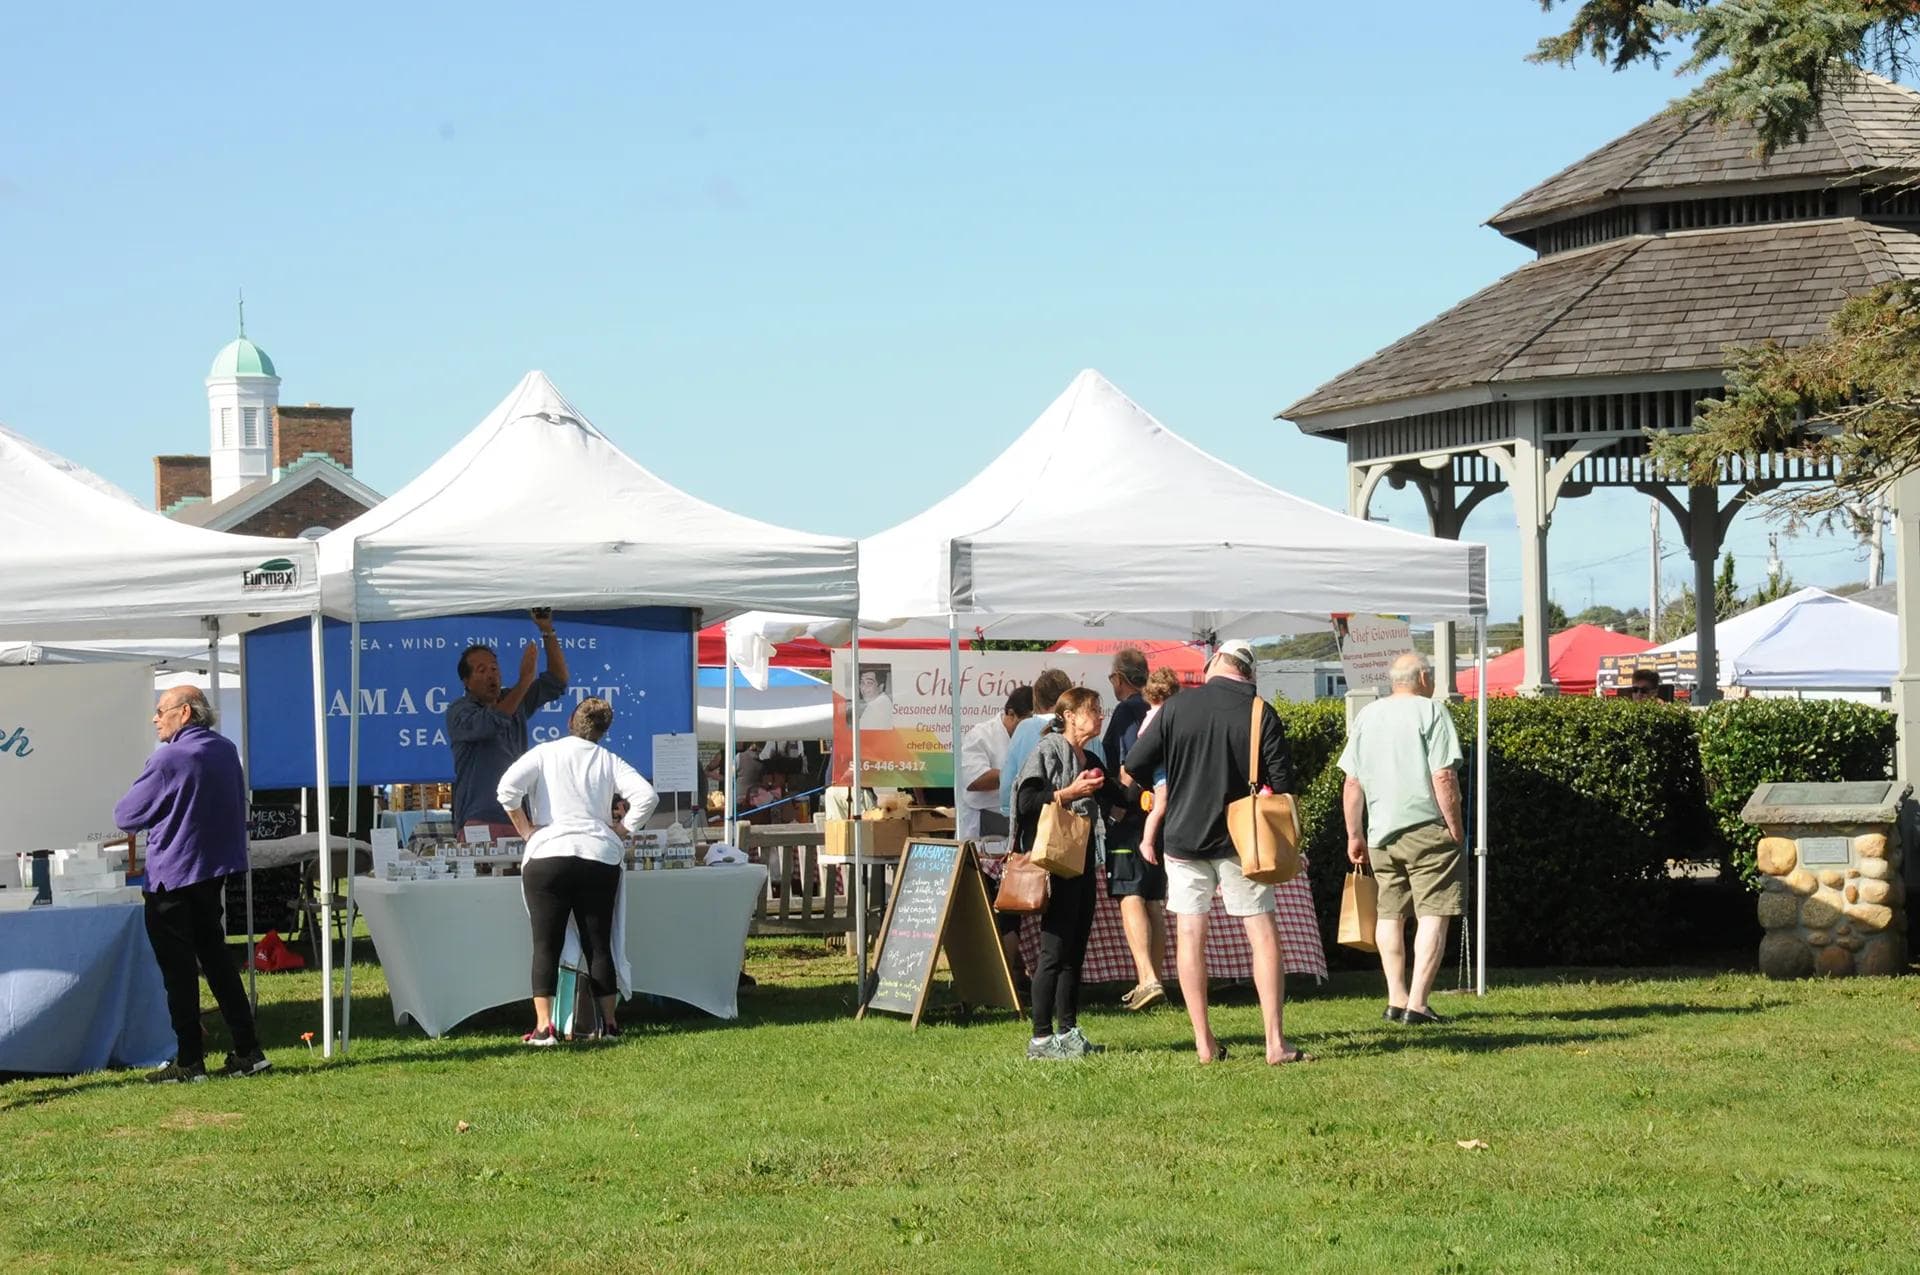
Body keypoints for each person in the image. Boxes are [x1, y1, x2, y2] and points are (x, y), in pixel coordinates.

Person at [1124, 639, 1307, 1065]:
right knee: (1261, 931)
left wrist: (1169, 786)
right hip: (1244, 841)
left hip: (1183, 836)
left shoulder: (1175, 707)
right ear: (1249, 671)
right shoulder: (1261, 711)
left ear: (1213, 664)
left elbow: (1134, 762)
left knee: (1191, 935)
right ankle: (1275, 1043)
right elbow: (1281, 785)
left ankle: (1204, 1043)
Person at [113, 687, 268, 1083]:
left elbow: (126, 815)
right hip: (210, 872)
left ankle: (189, 1061)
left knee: (178, 972)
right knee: (217, 962)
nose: (155, 719)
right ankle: (248, 1051)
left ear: (183, 713)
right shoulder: (225, 749)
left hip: (172, 876)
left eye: (160, 711)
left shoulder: (169, 757)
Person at [497, 697, 658, 1046]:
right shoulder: (609, 760)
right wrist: (620, 830)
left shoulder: (545, 753)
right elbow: (646, 796)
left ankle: (544, 1027)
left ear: (571, 720)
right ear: (604, 730)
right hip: (598, 854)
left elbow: (507, 789)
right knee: (598, 943)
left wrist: (526, 831)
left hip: (548, 853)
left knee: (545, 943)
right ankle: (610, 1024)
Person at [1339, 652, 1465, 1027]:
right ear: (1424, 677)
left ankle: (1395, 998)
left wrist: (1355, 834)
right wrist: (1454, 826)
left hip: (1380, 833)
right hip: (1427, 826)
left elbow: (1352, 782)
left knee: (1389, 915)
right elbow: (1443, 776)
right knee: (1433, 914)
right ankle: (1418, 1004)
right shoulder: (1432, 711)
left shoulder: (1367, 715)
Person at [1014, 687, 1108, 1060]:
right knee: (1053, 951)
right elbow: (1025, 803)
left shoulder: (1091, 756)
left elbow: (1120, 796)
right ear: (1069, 715)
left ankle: (1068, 1032)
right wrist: (1068, 792)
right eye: (1094, 710)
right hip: (1055, 862)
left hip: (1082, 859)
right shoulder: (1046, 751)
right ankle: (1040, 1039)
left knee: (1075, 951)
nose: (1100, 716)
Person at [446, 610, 570, 836]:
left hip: (519, 817)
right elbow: (492, 722)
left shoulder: (513, 699)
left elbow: (558, 681)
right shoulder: (459, 711)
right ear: (466, 681)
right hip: (479, 818)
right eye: (481, 670)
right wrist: (525, 681)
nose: (491, 675)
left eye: (494, 668)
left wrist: (547, 631)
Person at [1103, 648, 1166, 1012]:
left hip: (1132, 816)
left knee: (1131, 894)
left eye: (1112, 677)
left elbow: (1130, 763)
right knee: (1154, 897)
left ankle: (1147, 978)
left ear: (1121, 678)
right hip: (1159, 812)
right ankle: (1153, 977)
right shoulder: (1158, 708)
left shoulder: (1128, 710)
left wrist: (1120, 803)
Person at [998, 668, 1075, 821]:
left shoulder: (1026, 728)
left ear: (1037, 699)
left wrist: (1008, 810)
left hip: (1036, 818)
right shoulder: (1085, 726)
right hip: (1079, 821)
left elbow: (1008, 783)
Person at [958, 686, 1033, 842]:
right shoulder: (980, 735)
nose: (1029, 729)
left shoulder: (1034, 736)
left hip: (1021, 819)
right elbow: (975, 780)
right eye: (1025, 723)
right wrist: (1020, 774)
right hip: (984, 819)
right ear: (1011, 714)